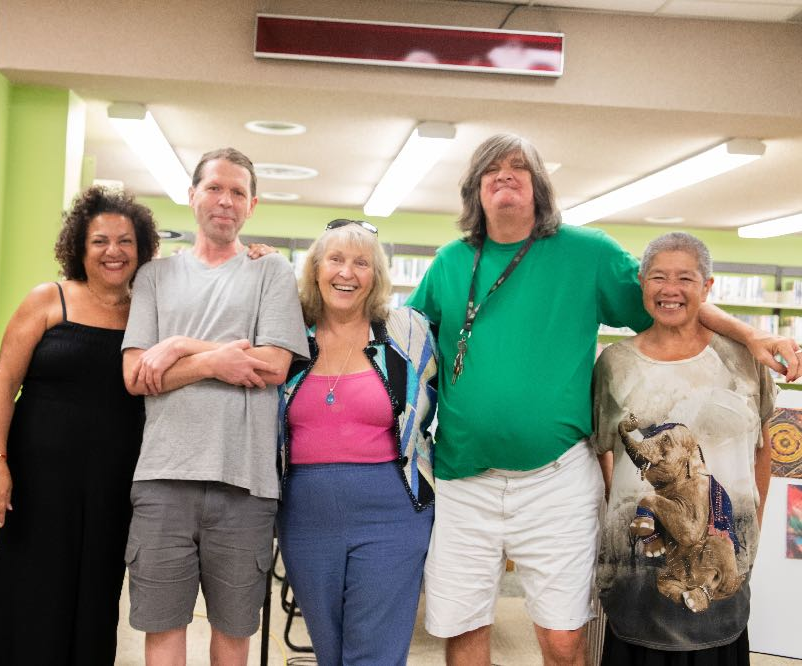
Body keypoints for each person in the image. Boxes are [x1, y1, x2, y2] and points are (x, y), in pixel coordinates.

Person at [406, 133, 801, 666]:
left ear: (539, 187)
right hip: (463, 479)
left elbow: (670, 299)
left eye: (518, 168)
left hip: (556, 481)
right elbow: (400, 340)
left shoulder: (585, 253)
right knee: (464, 626)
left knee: (566, 638)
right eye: (490, 170)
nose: (504, 176)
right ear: (474, 191)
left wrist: (751, 336)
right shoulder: (450, 263)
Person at [121, 147, 309, 665]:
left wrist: (181, 347)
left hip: (245, 483)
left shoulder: (271, 271)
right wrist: (216, 362)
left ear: (252, 206)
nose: (225, 201)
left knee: (233, 631)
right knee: (161, 627)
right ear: (192, 196)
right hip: (162, 479)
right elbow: (136, 376)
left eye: (237, 192)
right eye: (214, 188)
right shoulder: (154, 277)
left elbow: (273, 365)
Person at [0, 186, 157, 665]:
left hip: (115, 482)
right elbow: (3, 384)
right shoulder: (48, 299)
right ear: (79, 246)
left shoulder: (150, 310)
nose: (113, 252)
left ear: (142, 250)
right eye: (100, 241)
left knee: (96, 599)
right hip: (39, 480)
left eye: (125, 241)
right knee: (32, 594)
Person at [593, 232, 776, 665]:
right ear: (641, 284)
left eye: (685, 278)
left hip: (718, 540)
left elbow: (762, 448)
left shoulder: (745, 360)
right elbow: (603, 449)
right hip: (635, 577)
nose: (670, 289)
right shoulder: (614, 364)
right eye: (658, 277)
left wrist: (755, 521)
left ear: (707, 287)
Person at [276, 219, 437, 665]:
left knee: (376, 655)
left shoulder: (407, 333)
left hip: (391, 513)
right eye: (336, 260)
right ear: (315, 270)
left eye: (361, 263)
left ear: (376, 277)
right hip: (304, 516)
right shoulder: (288, 336)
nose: (347, 272)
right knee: (330, 652)